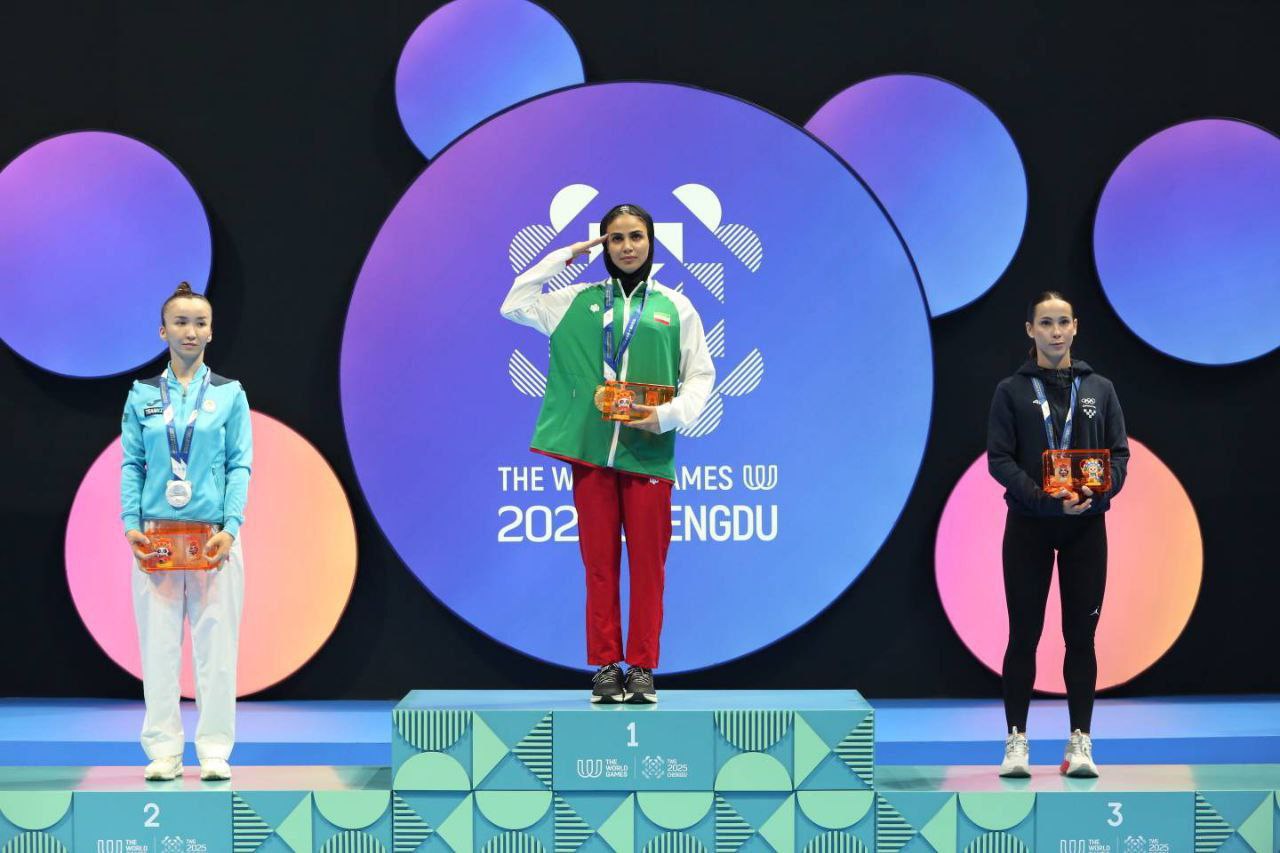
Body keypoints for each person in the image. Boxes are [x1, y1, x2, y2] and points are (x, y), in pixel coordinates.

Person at [501, 204, 714, 703]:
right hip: (591, 453)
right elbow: (514, 303)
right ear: (603, 246)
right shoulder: (575, 301)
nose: (626, 246)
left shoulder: (675, 307)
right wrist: (565, 257)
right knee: (599, 564)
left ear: (651, 241)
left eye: (636, 236)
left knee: (648, 566)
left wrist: (666, 416)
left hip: (648, 453)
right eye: (615, 238)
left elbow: (701, 374)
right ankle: (605, 666)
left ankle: (641, 667)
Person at [987, 291, 1128, 778]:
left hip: (1085, 528)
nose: (1055, 331)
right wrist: (1045, 500)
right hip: (1028, 527)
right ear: (1030, 330)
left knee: (1081, 638)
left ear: (1075, 327)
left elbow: (1119, 455)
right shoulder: (1010, 391)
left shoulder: (1100, 389)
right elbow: (999, 459)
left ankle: (1080, 743)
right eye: (1045, 323)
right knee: (1023, 635)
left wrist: (1099, 492)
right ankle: (1016, 742)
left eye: (1062, 322)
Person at [120, 282, 252, 781]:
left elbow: (239, 465)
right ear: (163, 331)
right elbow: (131, 464)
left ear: (211, 331)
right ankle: (164, 751)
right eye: (180, 322)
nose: (190, 331)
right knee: (158, 650)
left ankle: (214, 750)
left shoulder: (229, 394)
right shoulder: (142, 396)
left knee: (217, 651)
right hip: (156, 539)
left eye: (200, 323)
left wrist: (231, 527)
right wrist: (130, 525)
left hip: (213, 539)